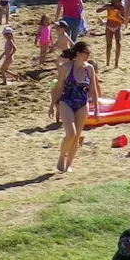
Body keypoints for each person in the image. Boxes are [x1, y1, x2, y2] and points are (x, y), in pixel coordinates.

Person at [51, 42, 102, 174]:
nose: (88, 56)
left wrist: (97, 109)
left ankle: (68, 166)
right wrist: (52, 105)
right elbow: (59, 87)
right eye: (86, 53)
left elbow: (93, 90)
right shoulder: (66, 68)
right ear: (78, 53)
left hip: (82, 103)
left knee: (77, 136)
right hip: (66, 102)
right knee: (71, 134)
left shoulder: (89, 69)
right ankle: (62, 158)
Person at [103, 0, 126, 69]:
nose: (115, 3)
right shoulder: (109, 5)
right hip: (109, 27)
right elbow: (97, 10)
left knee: (118, 44)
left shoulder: (121, 8)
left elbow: (124, 21)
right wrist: (106, 8)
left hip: (117, 27)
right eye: (114, 1)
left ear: (120, 2)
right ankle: (107, 62)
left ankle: (116, 63)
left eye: (117, 2)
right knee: (109, 45)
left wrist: (118, 16)